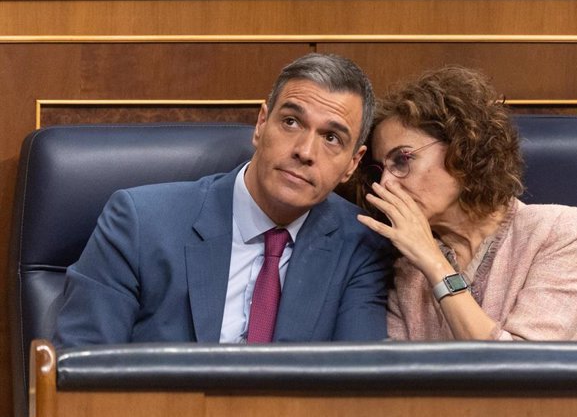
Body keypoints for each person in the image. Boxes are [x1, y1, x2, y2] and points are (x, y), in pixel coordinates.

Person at [54, 53, 390, 347]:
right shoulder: (140, 223)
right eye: (291, 122)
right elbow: (79, 371)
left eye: (331, 137)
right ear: (261, 124)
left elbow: (357, 388)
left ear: (352, 164)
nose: (304, 151)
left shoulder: (358, 246)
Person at [356, 66, 577, 341]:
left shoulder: (559, 231)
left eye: (402, 159)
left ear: (462, 149)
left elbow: (529, 371)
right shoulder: (408, 267)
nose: (386, 182)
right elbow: (399, 375)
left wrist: (434, 264)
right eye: (380, 169)